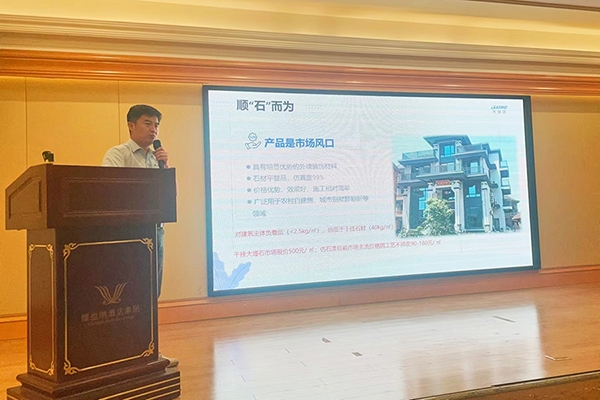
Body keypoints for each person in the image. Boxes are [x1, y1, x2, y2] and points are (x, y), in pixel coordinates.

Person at [102, 104, 178, 368]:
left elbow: (171, 197)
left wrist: (166, 167)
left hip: (154, 231)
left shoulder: (157, 159)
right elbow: (108, 191)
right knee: (129, 293)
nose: (154, 129)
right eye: (148, 123)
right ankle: (123, 350)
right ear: (131, 126)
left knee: (151, 292)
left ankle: (148, 350)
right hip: (128, 235)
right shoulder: (117, 154)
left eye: (156, 125)